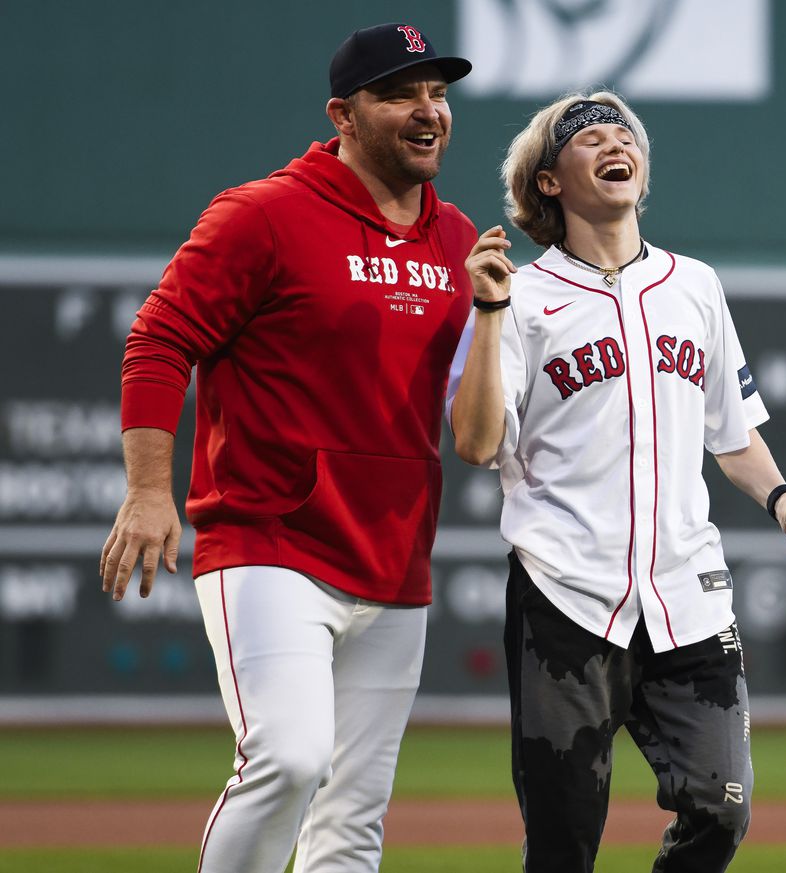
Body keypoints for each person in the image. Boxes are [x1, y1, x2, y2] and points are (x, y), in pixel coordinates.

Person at [99, 23, 478, 873]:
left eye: (439, 92)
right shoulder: (264, 215)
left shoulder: (456, 241)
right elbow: (160, 340)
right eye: (402, 92)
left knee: (352, 819)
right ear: (343, 114)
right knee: (290, 755)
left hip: (394, 561)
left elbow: (478, 408)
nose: (429, 111)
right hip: (269, 541)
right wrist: (149, 488)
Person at [448, 92, 786, 873]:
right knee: (562, 846)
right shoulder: (521, 298)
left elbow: (733, 433)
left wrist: (783, 498)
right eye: (587, 138)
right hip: (565, 598)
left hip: (686, 596)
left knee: (722, 808)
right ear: (549, 182)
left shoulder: (693, 285)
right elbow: (475, 440)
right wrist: (488, 311)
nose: (611, 142)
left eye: (622, 133)